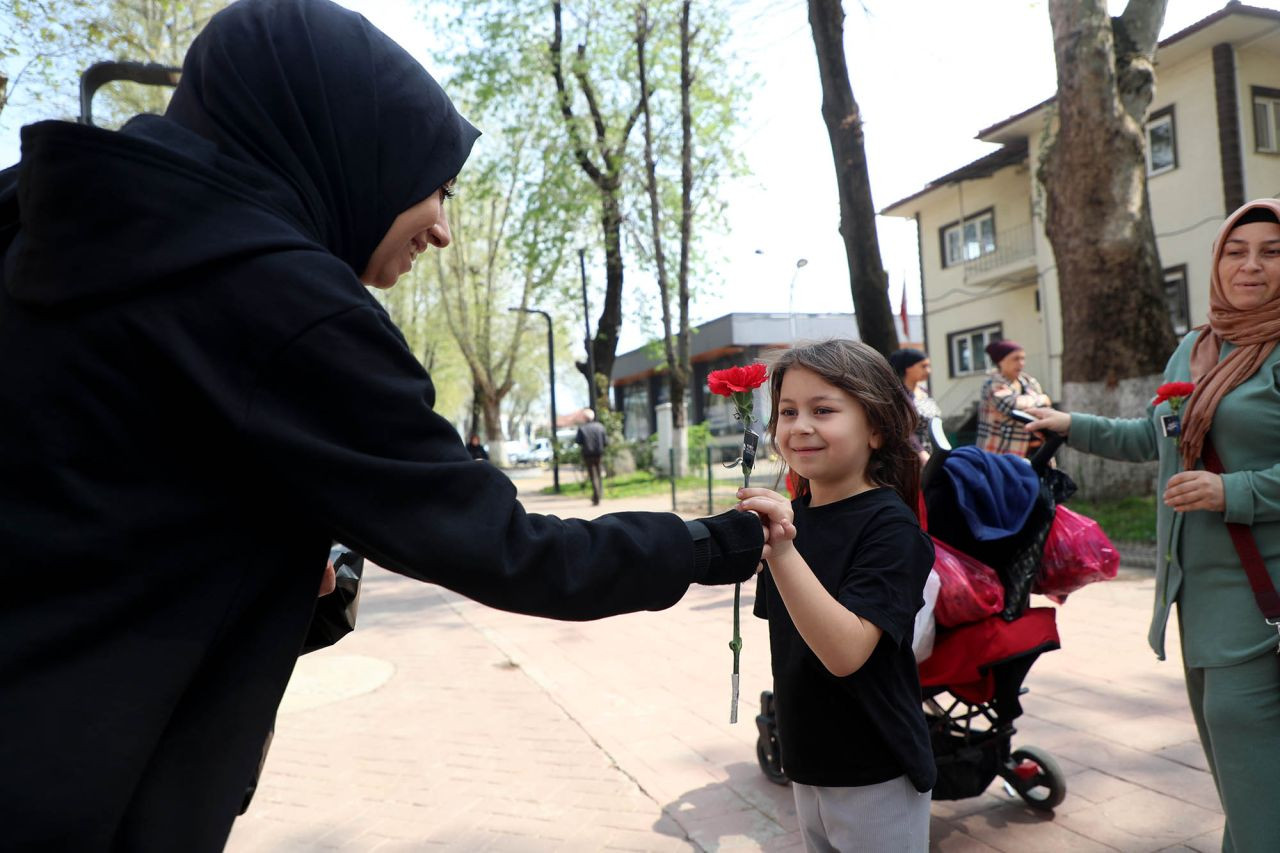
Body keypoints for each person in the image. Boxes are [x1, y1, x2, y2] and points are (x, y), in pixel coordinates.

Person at [0, 1, 769, 848]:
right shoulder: (278, 299)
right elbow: (504, 545)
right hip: (91, 788)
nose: (441, 228)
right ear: (352, 145)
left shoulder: (48, 221)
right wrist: (707, 545)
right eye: (437, 185)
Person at [1027, 198, 1280, 853]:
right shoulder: (1195, 348)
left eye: (1272, 252)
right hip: (1198, 597)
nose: (1251, 265)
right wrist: (1071, 424)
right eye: (1236, 251)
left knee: (1252, 772)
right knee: (1240, 775)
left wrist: (1233, 489)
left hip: (1265, 591)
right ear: (1217, 262)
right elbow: (1154, 434)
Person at [738, 340, 936, 852]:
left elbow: (845, 653)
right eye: (787, 411)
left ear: (876, 428)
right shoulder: (793, 519)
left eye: (823, 410)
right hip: (808, 760)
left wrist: (781, 551)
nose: (799, 426)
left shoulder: (891, 527)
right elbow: (791, 635)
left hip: (875, 768)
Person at [976, 339, 1052, 456]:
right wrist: (1041, 399)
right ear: (1001, 361)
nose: (1021, 363)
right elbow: (1011, 405)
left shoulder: (1028, 382)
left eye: (1023, 358)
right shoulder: (992, 383)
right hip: (998, 454)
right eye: (1015, 359)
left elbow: (1045, 410)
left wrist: (1030, 404)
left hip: (1031, 452)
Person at [888, 347, 941, 461]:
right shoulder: (899, 396)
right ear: (908, 368)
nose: (928, 371)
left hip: (933, 452)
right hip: (913, 457)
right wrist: (921, 453)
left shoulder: (924, 392)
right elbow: (903, 430)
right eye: (923, 366)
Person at [575, 408, 608, 505]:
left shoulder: (582, 428)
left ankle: (596, 496)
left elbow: (578, 441)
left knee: (593, 475)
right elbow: (605, 441)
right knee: (598, 473)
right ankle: (598, 494)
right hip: (599, 454)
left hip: (588, 454)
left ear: (585, 418)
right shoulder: (600, 427)